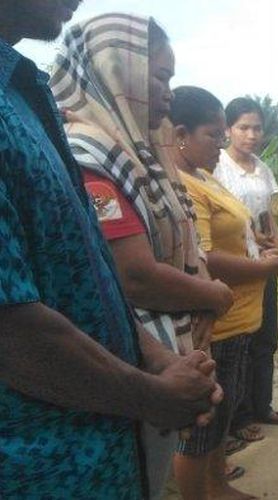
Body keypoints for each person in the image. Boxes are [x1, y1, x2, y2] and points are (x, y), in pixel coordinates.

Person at [0, 2, 221, 497]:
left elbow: (85, 272)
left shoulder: (24, 98)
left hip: (105, 442)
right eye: (158, 77)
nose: (167, 94)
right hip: (43, 467)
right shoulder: (90, 146)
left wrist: (160, 360)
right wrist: (151, 394)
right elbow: (11, 328)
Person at [170, 85, 278, 500]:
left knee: (223, 414)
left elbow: (237, 227)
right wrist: (261, 266)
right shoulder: (185, 183)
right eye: (215, 135)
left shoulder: (206, 175)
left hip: (241, 315)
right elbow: (204, 255)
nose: (222, 144)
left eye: (224, 135)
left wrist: (262, 242)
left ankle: (218, 484)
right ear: (180, 133)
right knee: (202, 426)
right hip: (217, 322)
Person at [214, 97, 278, 450]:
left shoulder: (261, 167)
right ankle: (239, 417)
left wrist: (277, 241)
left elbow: (268, 213)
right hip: (235, 266)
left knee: (265, 338)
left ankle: (263, 406)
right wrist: (253, 239)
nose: (252, 135)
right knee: (238, 343)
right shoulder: (218, 167)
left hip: (265, 262)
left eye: (257, 127)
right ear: (228, 129)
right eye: (243, 127)